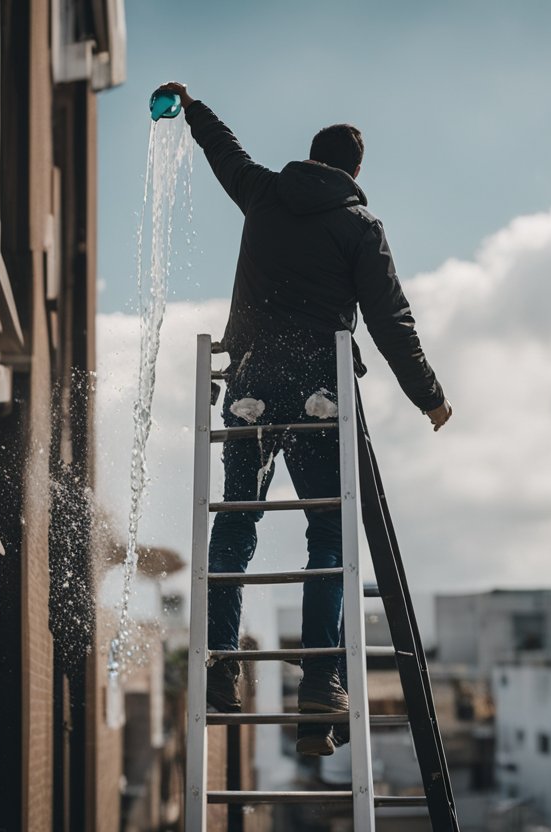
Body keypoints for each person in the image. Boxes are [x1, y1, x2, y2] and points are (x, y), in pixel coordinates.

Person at [157, 82, 452, 756]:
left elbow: (222, 151)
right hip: (320, 389)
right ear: (354, 172)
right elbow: (390, 321)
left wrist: (193, 106)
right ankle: (321, 679)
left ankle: (220, 663)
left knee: (235, 525)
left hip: (253, 381)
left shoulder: (263, 192)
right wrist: (429, 396)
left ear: (309, 158)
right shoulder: (359, 225)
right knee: (328, 532)